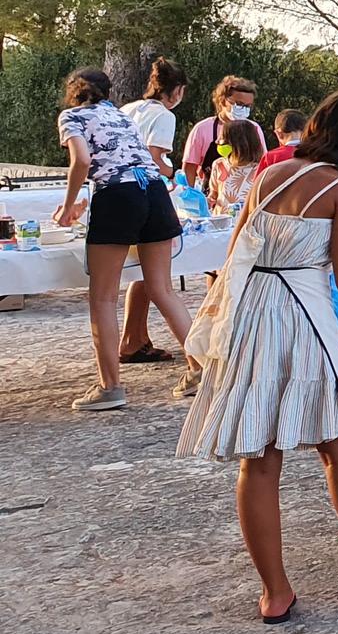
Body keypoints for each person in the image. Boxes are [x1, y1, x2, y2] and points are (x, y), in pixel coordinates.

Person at [175, 85, 338, 624]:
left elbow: (238, 249)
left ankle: (275, 592)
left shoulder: (268, 175)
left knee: (259, 457)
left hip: (252, 313)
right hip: (304, 313)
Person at [53, 68, 192, 412]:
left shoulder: (71, 116)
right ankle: (202, 367)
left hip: (118, 196)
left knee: (102, 297)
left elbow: (82, 160)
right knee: (161, 288)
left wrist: (69, 206)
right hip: (155, 192)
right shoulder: (118, 114)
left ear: (72, 93)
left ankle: (110, 386)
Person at [114, 58, 188, 370]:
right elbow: (155, 160)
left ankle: (133, 339)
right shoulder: (164, 116)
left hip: (118, 194)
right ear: (178, 91)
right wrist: (174, 172)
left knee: (144, 272)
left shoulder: (127, 109)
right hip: (148, 194)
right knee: (161, 281)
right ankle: (200, 358)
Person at [182, 75, 265, 183]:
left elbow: (263, 164)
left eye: (248, 106)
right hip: (209, 194)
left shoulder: (254, 129)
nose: (243, 109)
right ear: (222, 101)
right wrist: (190, 195)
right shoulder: (202, 129)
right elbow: (189, 167)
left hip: (246, 193)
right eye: (239, 104)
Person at [205, 119, 264, 215]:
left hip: (246, 223)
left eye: (222, 138)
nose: (217, 141)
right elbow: (214, 193)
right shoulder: (219, 165)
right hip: (221, 222)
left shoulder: (260, 169)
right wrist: (207, 201)